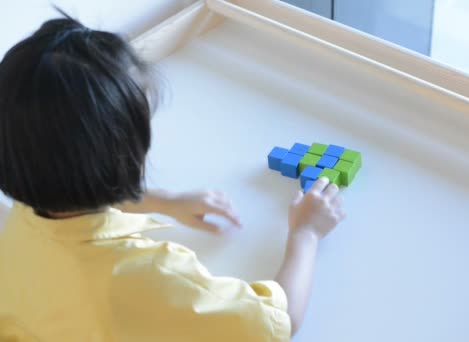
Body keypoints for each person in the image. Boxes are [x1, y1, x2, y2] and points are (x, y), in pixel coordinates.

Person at [0, 12, 345, 342]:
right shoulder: (151, 275)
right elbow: (276, 323)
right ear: (127, 154)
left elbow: (67, 187)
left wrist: (164, 201)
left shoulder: (21, 220)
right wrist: (306, 233)